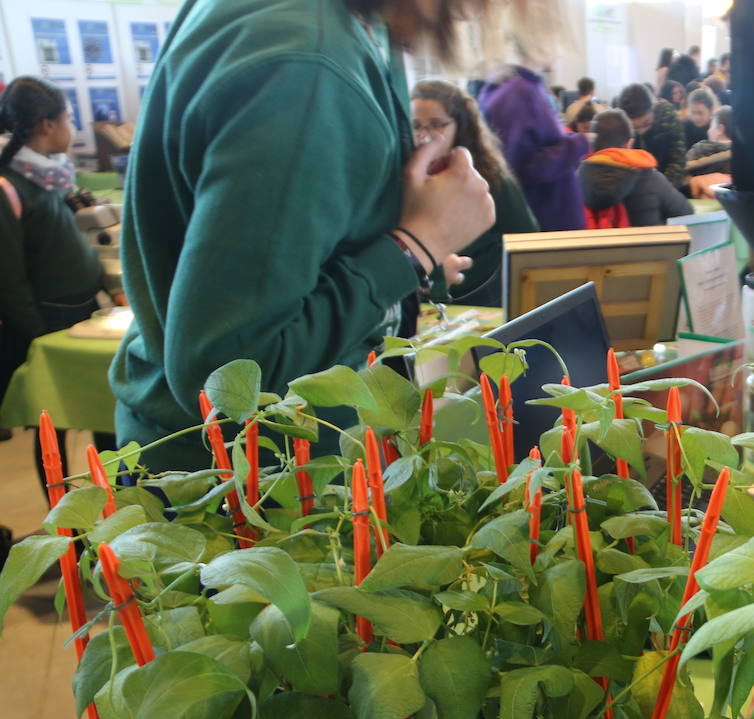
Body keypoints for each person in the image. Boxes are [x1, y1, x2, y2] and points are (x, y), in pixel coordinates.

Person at [110, 0, 498, 472]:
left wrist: (410, 256)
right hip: (253, 483)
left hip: (280, 456)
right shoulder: (307, 65)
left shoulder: (344, 29)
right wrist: (416, 245)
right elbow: (228, 378)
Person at [0, 76, 111, 484]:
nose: (73, 127)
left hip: (86, 312)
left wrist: (106, 285)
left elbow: (69, 243)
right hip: (48, 324)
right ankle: (64, 519)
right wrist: (37, 339)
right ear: (47, 125)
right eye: (68, 118)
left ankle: (119, 499)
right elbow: (8, 283)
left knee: (104, 410)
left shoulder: (52, 177)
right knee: (53, 428)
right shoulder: (10, 186)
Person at [411, 79, 538, 306]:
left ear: (461, 126)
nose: (424, 135)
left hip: (482, 299)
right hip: (423, 302)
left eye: (436, 124)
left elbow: (526, 240)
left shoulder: (491, 178)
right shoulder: (406, 177)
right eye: (416, 125)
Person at [480, 64, 590, 232]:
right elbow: (524, 166)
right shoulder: (520, 92)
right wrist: (578, 143)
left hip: (543, 222)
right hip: (544, 225)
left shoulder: (511, 87)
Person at [579, 109, 692, 227]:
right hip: (645, 245)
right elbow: (686, 212)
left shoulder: (575, 179)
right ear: (629, 144)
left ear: (591, 145)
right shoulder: (650, 177)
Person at [619, 82, 686, 190]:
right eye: (634, 127)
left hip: (667, 184)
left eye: (646, 123)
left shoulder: (666, 114)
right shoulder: (619, 125)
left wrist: (662, 190)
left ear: (653, 107)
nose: (641, 131)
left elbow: (677, 159)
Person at [685, 105, 732, 179]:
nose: (708, 130)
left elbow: (681, 170)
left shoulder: (700, 150)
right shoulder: (741, 155)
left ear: (720, 129)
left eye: (711, 126)